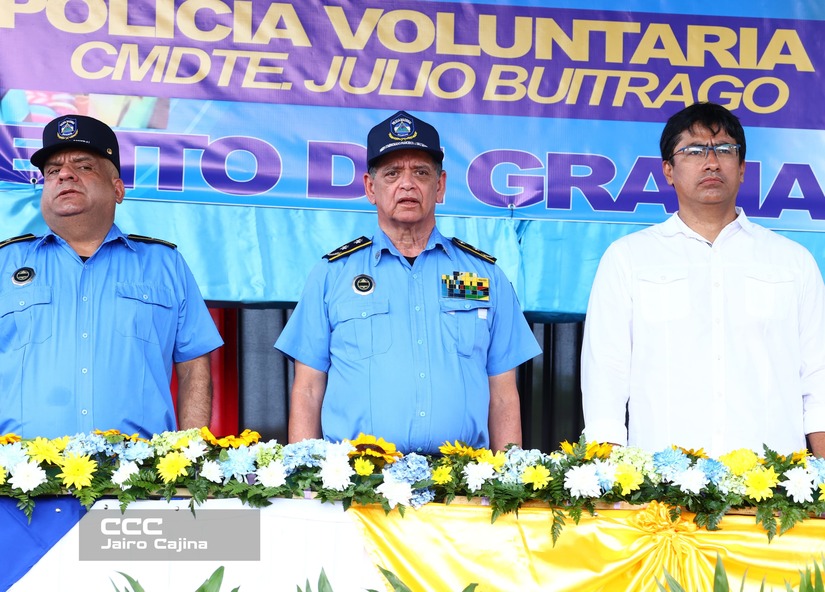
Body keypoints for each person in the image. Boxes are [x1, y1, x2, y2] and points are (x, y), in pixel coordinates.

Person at [275, 110, 541, 454]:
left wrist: (508, 479)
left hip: (460, 486)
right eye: (392, 173)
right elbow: (308, 389)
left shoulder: (483, 276)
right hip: (357, 483)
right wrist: (305, 479)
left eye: (421, 172)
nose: (407, 184)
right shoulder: (332, 275)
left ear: (440, 186)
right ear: (371, 188)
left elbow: (504, 394)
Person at [581, 101, 825, 458]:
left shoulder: (792, 262)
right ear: (668, 170)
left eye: (725, 149)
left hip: (773, 487)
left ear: (742, 168)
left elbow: (818, 377)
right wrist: (611, 485)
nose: (712, 162)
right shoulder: (629, 259)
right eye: (694, 151)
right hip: (659, 490)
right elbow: (606, 377)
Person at [0, 114, 224, 439]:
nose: (65, 174)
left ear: (117, 189)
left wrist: (189, 461)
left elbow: (194, 371)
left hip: (140, 481)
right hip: (20, 480)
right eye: (52, 171)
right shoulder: (5, 264)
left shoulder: (165, 264)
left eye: (84, 166)